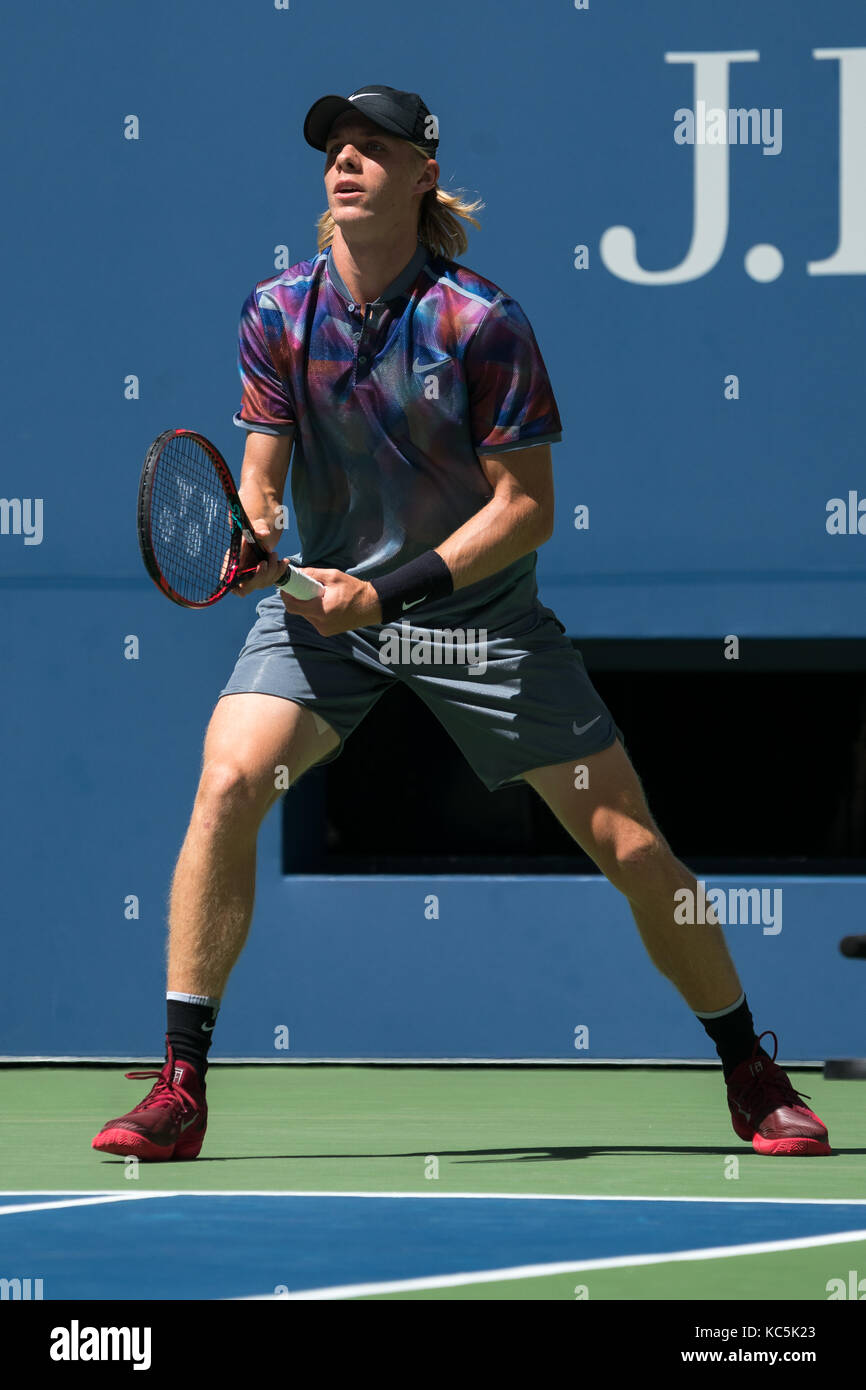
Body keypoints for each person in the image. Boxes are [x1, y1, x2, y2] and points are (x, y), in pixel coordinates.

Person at [92, 85, 830, 1161]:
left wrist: (385, 595)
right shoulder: (275, 312)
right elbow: (259, 480)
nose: (345, 163)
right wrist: (258, 537)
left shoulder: (481, 322)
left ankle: (748, 1070)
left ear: (422, 174)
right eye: (333, 149)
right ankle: (179, 1084)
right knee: (229, 779)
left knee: (629, 845)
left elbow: (525, 508)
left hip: (477, 625)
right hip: (325, 620)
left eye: (372, 148)